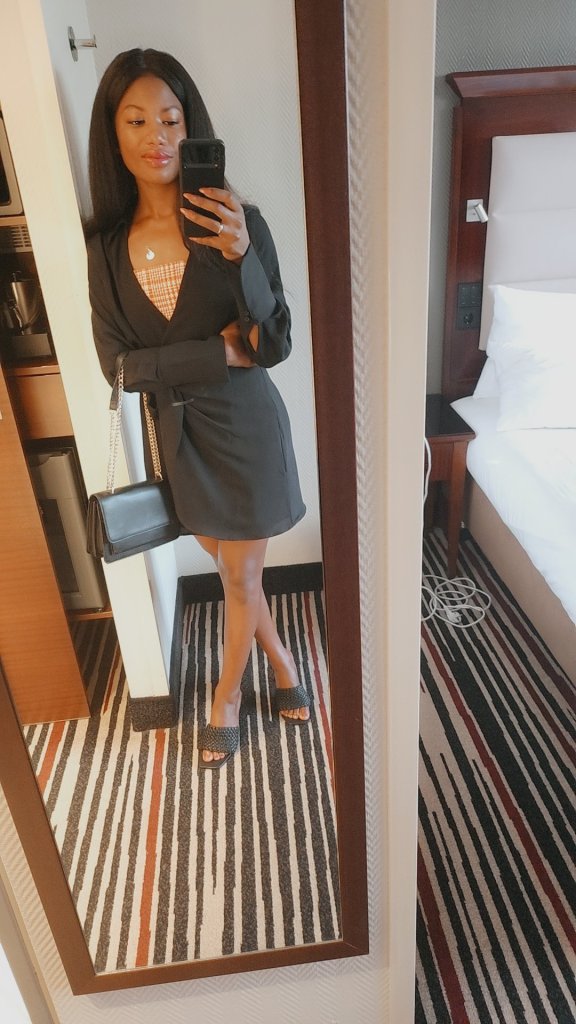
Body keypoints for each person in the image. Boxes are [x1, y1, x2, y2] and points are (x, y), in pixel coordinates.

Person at [85, 48, 310, 768]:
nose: (157, 136)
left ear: (193, 130)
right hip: (179, 438)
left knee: (239, 579)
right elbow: (120, 367)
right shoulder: (106, 250)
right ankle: (284, 665)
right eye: (137, 120)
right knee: (237, 576)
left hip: (246, 431)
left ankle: (227, 699)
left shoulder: (241, 224)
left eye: (172, 119)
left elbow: (271, 345)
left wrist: (244, 259)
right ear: (113, 135)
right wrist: (216, 353)